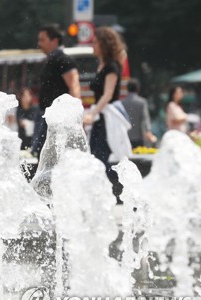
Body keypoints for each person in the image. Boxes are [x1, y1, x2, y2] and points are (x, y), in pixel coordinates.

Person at [83, 27, 127, 199]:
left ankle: (121, 189)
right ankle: (101, 193)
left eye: (95, 42)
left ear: (104, 44)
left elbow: (108, 94)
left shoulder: (112, 67)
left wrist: (92, 114)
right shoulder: (102, 65)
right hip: (100, 118)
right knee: (95, 156)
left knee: (101, 157)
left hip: (107, 118)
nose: (92, 45)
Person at [32, 25, 81, 158]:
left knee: (52, 156)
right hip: (46, 115)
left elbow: (74, 87)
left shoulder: (64, 61)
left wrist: (76, 115)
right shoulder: (51, 60)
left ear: (54, 41)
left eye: (42, 40)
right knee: (42, 154)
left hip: (56, 119)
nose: (39, 44)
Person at [121, 78, 157, 148]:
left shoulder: (122, 103)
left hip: (125, 136)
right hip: (139, 136)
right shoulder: (142, 102)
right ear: (137, 88)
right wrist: (148, 131)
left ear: (127, 89)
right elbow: (145, 118)